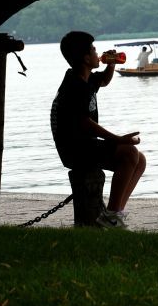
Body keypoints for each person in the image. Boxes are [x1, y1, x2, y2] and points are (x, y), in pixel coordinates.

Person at [51, 31, 146, 229]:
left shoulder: (84, 78)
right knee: (129, 153)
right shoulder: (75, 86)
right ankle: (111, 216)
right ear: (86, 58)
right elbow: (84, 122)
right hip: (75, 150)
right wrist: (117, 139)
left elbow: (104, 80)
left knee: (140, 160)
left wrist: (111, 63)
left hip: (85, 144)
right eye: (94, 50)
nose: (97, 53)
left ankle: (114, 213)